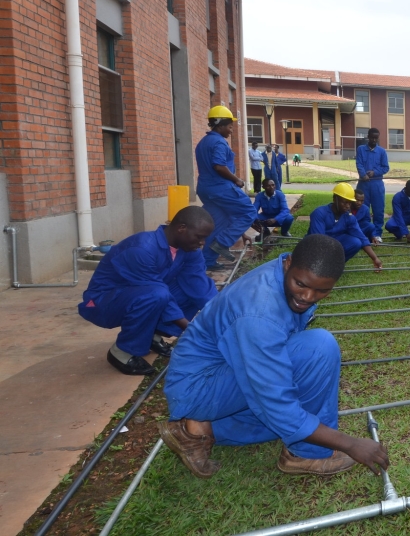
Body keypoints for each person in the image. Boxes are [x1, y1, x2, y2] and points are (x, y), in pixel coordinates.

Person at [159, 235, 390, 478]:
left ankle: (198, 431)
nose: (308, 297)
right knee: (318, 349)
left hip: (220, 373)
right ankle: (306, 454)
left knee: (289, 417)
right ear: (289, 264)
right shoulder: (260, 313)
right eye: (301, 284)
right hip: (198, 386)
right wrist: (350, 444)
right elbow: (276, 401)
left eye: (322, 290)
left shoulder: (284, 275)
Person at [78, 207, 217, 376]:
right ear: (181, 228)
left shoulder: (189, 250)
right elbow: (157, 293)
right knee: (157, 295)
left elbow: (198, 284)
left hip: (144, 293)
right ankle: (122, 352)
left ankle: (151, 334)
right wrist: (194, 330)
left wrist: (220, 315)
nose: (202, 243)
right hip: (102, 302)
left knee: (191, 289)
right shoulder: (142, 248)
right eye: (199, 237)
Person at [196, 106, 256, 270]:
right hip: (221, 188)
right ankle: (222, 243)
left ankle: (207, 261)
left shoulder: (203, 142)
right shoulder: (219, 142)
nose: (231, 130)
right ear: (220, 124)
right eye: (229, 126)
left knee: (217, 222)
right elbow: (219, 166)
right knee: (249, 212)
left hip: (205, 189)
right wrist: (236, 180)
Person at [308, 183, 382, 271]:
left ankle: (334, 266)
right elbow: (318, 241)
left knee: (356, 242)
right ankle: (320, 266)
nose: (348, 206)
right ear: (335, 199)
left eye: (350, 203)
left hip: (334, 243)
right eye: (345, 202)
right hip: (317, 246)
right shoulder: (319, 213)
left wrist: (375, 258)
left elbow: (361, 237)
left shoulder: (349, 217)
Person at [355, 128, 390, 243]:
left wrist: (375, 172)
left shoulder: (382, 151)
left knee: (378, 209)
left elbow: (386, 167)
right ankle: (363, 233)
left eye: (376, 138)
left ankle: (377, 234)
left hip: (377, 184)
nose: (374, 140)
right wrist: (363, 174)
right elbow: (359, 163)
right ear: (368, 137)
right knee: (362, 209)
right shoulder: (360, 149)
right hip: (363, 185)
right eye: (372, 137)